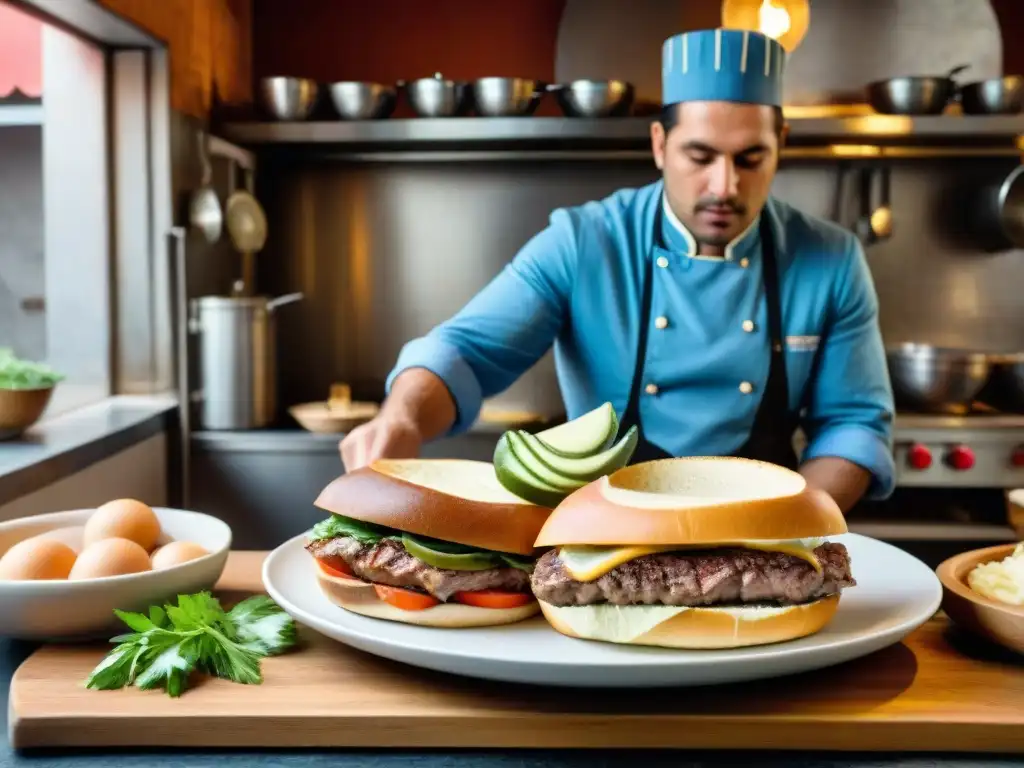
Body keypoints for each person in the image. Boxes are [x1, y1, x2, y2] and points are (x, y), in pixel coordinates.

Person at [340, 28, 896, 513]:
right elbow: (463, 351)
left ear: (781, 146)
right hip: (603, 538)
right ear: (660, 145)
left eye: (750, 159)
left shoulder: (831, 259)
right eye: (699, 157)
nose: (724, 186)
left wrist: (791, 525)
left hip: (767, 536)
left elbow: (854, 425)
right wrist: (404, 418)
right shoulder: (584, 242)